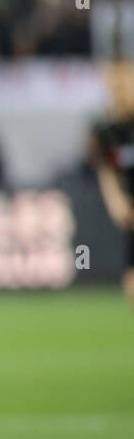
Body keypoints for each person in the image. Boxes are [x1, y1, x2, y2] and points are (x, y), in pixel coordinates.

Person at [87, 61, 134, 308]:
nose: (117, 91)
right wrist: (116, 202)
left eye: (122, 85)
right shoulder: (109, 132)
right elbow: (106, 172)